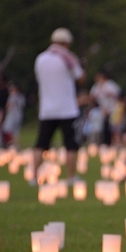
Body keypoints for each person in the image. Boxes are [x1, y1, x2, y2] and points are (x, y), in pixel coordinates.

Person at [32, 27, 85, 185]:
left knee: (41, 143)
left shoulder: (40, 59)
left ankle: (34, 177)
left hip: (47, 109)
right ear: (67, 43)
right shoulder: (68, 58)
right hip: (67, 109)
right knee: (70, 145)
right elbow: (80, 78)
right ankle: (70, 177)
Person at [89, 71, 121, 146]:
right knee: (102, 126)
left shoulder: (110, 84)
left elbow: (118, 95)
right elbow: (92, 97)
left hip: (112, 109)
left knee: (113, 127)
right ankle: (103, 142)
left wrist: (110, 95)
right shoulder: (96, 86)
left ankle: (114, 142)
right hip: (101, 109)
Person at [2, 82, 25, 148]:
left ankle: (10, 144)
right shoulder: (21, 96)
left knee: (7, 129)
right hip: (19, 116)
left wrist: (5, 112)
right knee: (16, 132)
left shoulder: (12, 96)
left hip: (12, 116)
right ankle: (16, 145)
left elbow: (9, 105)